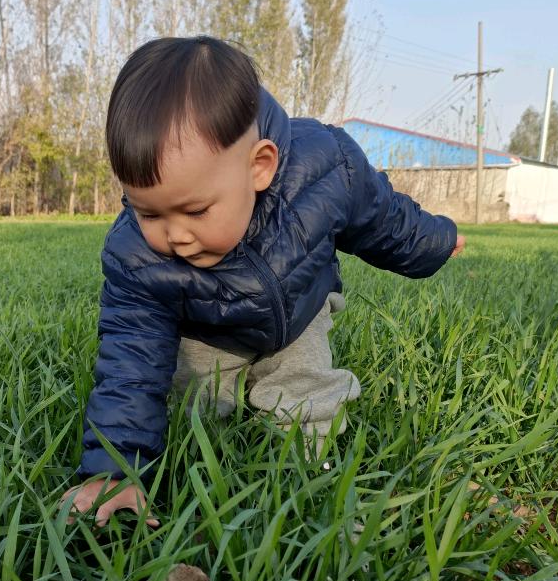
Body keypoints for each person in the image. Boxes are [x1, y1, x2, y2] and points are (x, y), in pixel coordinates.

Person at [59, 35, 465, 527]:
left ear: (260, 166)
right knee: (196, 411)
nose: (175, 236)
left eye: (195, 210)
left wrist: (436, 242)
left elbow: (383, 217)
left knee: (307, 393)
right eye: (148, 212)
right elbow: (131, 361)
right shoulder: (136, 254)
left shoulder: (326, 165)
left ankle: (312, 481)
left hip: (298, 312)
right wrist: (115, 469)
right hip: (206, 327)